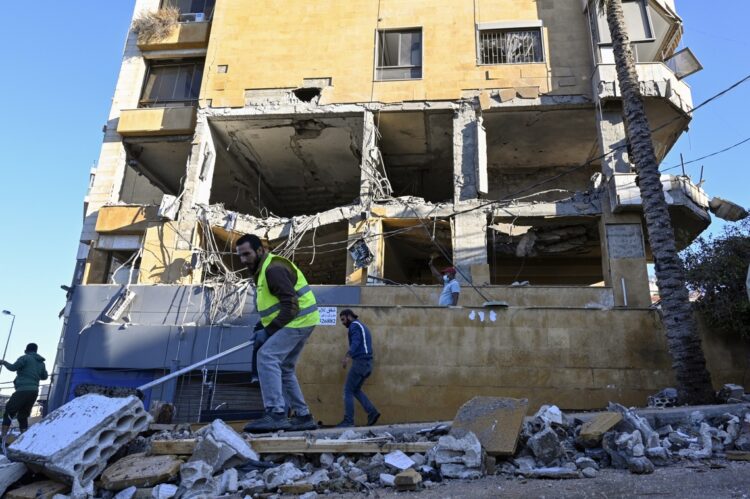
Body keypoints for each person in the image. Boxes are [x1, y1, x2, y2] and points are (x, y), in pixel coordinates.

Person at [237, 234, 320, 432]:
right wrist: (262, 326)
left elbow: (291, 305)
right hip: (301, 320)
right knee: (285, 368)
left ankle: (275, 413)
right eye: (240, 255)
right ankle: (303, 416)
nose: (243, 260)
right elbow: (274, 305)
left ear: (259, 250)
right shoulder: (263, 269)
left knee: (267, 357)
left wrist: (268, 332)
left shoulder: (273, 269)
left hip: (297, 319)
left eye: (246, 254)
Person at [338, 309, 380, 428]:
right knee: (355, 390)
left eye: (343, 319)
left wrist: (348, 356)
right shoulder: (362, 326)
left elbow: (356, 342)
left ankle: (348, 421)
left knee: (348, 391)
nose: (342, 322)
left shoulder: (354, 326)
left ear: (349, 316)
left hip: (360, 363)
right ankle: (372, 412)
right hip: (367, 364)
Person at [1, 343, 48, 438]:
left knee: (9, 411)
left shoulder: (25, 358)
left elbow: (13, 368)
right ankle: (24, 439)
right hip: (34, 392)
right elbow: (45, 377)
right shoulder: (41, 363)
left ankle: (2, 437)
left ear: (26, 350)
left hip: (22, 390)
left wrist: (3, 362)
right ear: (36, 351)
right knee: (22, 416)